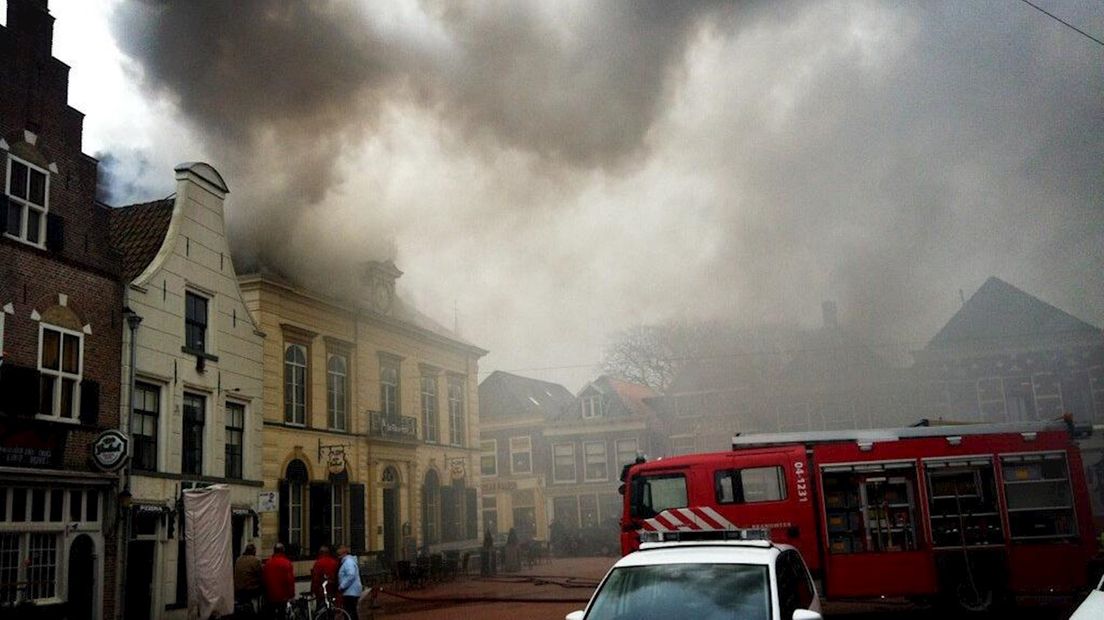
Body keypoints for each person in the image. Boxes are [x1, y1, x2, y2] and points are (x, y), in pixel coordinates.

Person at [262, 543, 296, 618]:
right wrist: (291, 596)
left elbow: (264, 580)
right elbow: (290, 581)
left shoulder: (267, 563)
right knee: (282, 615)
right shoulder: (287, 563)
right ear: (283, 551)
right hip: (283, 597)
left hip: (270, 596)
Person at [234, 543, 264, 615]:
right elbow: (261, 575)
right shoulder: (255, 560)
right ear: (254, 552)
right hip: (249, 590)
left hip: (238, 589)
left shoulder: (238, 560)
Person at [336, 544, 363, 618]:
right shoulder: (347, 561)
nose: (337, 552)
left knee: (350, 613)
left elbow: (351, 575)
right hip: (351, 591)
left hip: (350, 592)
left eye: (339, 550)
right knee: (351, 612)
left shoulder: (348, 562)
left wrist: (342, 586)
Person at [310, 544, 338, 610]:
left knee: (321, 608)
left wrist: (313, 590)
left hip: (321, 590)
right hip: (333, 589)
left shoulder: (318, 563)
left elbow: (315, 578)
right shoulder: (334, 562)